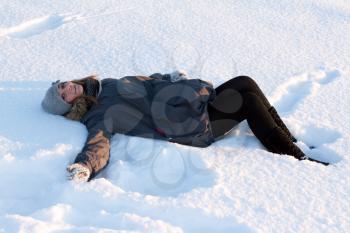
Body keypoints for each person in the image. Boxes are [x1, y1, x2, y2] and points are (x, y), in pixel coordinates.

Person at [41, 71, 329, 182]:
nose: (67, 90)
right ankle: (295, 155)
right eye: (63, 96)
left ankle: (288, 137)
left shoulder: (108, 84)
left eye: (62, 85)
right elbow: (98, 141)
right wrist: (86, 167)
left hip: (188, 104)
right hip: (192, 127)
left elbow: (147, 82)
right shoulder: (98, 113)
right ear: (68, 107)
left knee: (246, 83)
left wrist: (168, 76)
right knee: (249, 103)